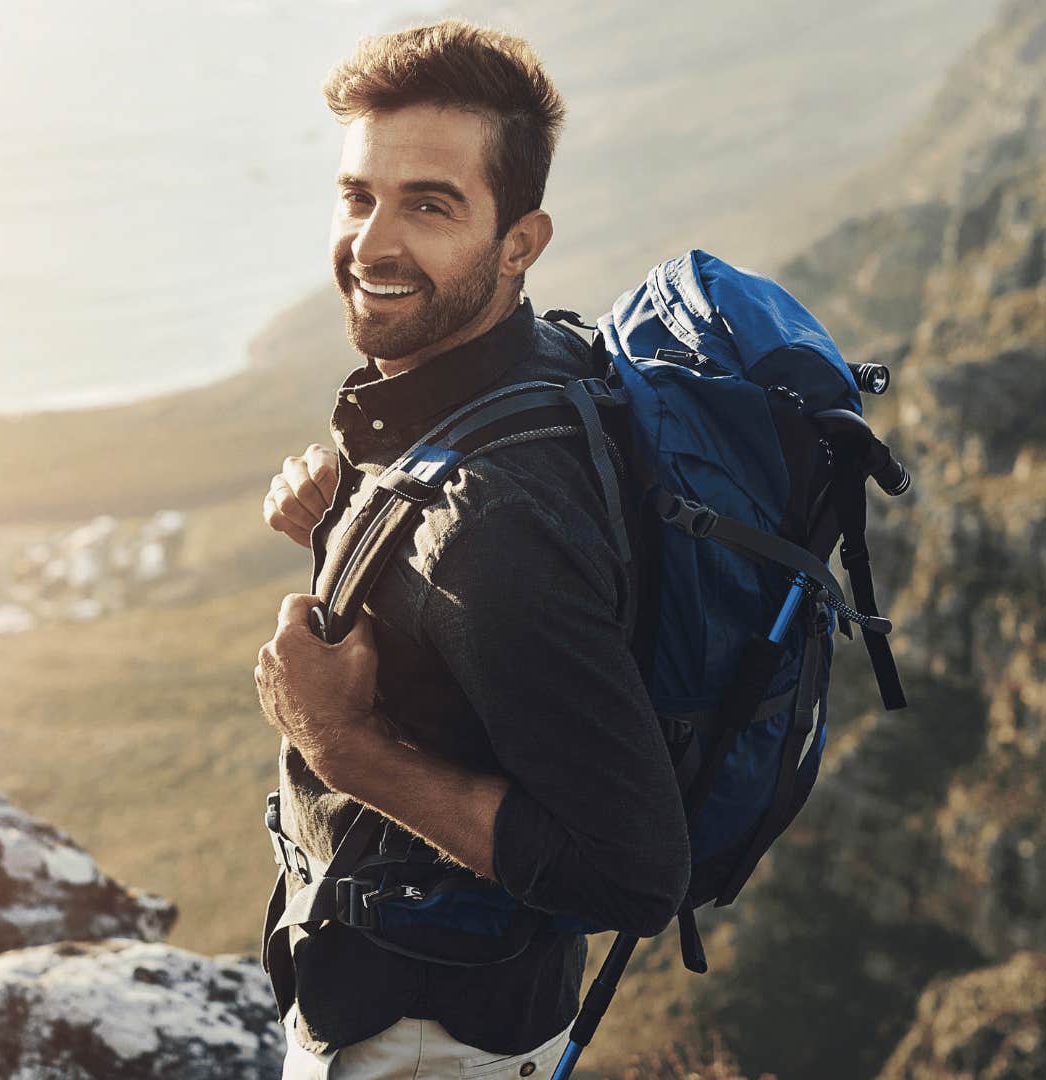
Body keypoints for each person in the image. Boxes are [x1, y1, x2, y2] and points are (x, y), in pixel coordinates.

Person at [252, 20, 690, 1079]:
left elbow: (633, 874)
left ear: (520, 241)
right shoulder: (538, 364)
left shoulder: (491, 523)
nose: (372, 243)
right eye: (360, 196)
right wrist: (350, 524)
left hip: (428, 1045)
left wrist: (340, 746)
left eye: (430, 204)